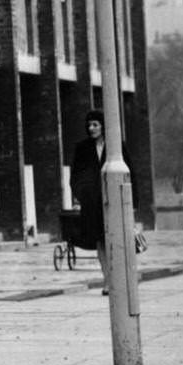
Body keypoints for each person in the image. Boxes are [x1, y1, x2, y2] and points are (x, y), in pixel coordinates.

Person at [69, 109, 108, 292]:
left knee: (115, 241)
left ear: (103, 125)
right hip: (93, 204)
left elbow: (130, 171)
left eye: (95, 124)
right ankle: (108, 280)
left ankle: (118, 278)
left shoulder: (116, 146)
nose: (91, 128)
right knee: (100, 240)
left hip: (113, 202)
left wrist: (133, 204)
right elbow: (75, 176)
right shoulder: (82, 148)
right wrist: (83, 195)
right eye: (89, 125)